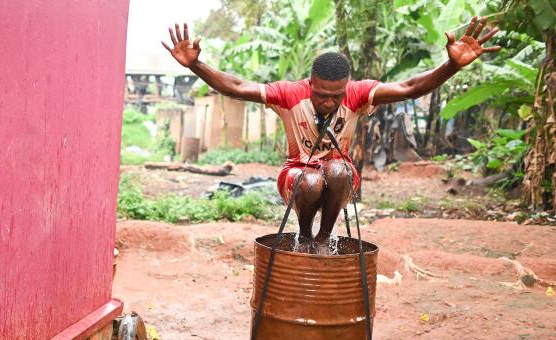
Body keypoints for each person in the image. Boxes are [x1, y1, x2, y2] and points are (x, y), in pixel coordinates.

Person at [162, 17, 500, 254]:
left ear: (346, 88)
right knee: (310, 181)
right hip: (295, 174)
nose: (327, 101)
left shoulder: (357, 94)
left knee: (336, 169)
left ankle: (324, 237)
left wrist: (452, 65)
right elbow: (236, 86)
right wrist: (196, 66)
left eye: (335, 97)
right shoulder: (289, 94)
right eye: (321, 94)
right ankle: (305, 235)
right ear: (311, 83)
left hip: (339, 174)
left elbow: (411, 87)